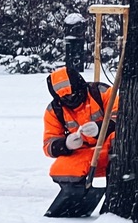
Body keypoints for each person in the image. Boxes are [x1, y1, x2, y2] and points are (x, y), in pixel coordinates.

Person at [42, 63, 118, 197]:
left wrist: (100, 128)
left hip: (110, 149)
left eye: (74, 94)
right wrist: (66, 144)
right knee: (61, 169)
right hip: (83, 152)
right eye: (66, 98)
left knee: (118, 138)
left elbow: (123, 116)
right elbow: (48, 145)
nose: (71, 99)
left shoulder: (101, 92)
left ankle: (116, 192)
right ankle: (77, 197)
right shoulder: (54, 111)